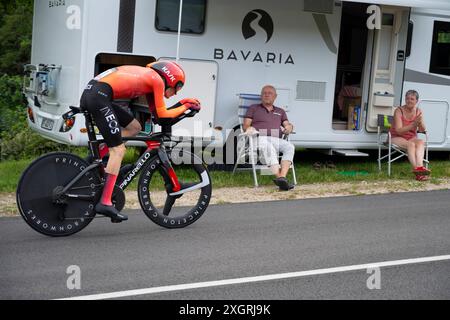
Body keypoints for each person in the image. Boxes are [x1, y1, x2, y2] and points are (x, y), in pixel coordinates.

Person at [80, 61, 201, 222]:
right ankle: (105, 201)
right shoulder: (157, 80)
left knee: (134, 127)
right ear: (170, 78)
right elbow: (164, 115)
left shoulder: (150, 79)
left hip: (96, 94)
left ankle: (98, 160)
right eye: (177, 88)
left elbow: (158, 116)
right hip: (99, 96)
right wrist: (185, 105)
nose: (176, 93)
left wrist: (182, 105)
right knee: (119, 150)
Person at [243, 85, 296, 191]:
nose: (267, 95)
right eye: (264, 93)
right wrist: (250, 129)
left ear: (275, 96)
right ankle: (280, 178)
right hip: (258, 137)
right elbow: (246, 125)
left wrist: (289, 127)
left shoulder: (280, 111)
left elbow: (287, 124)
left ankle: (282, 178)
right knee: (268, 147)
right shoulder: (253, 108)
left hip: (276, 139)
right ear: (261, 96)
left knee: (290, 147)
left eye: (270, 93)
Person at [390, 90, 430, 181]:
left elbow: (422, 130)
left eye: (412, 99)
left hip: (411, 137)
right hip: (396, 137)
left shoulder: (418, 111)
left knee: (420, 142)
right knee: (410, 145)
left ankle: (419, 167)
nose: (409, 101)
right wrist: (413, 125)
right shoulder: (399, 111)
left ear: (416, 101)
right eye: (407, 98)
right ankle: (418, 171)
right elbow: (399, 131)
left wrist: (419, 122)